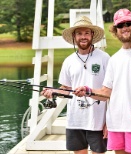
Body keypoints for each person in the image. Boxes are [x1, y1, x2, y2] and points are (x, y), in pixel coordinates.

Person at [74, 9, 131, 154]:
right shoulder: (114, 59)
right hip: (116, 125)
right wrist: (87, 90)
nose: (124, 28)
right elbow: (106, 92)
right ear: (115, 30)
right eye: (120, 25)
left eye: (128, 23)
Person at [41, 16, 110, 154]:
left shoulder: (104, 58)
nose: (83, 37)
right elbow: (66, 89)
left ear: (92, 35)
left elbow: (111, 93)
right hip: (75, 121)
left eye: (86, 33)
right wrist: (53, 92)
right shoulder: (68, 61)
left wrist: (109, 122)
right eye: (79, 33)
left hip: (98, 121)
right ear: (74, 36)